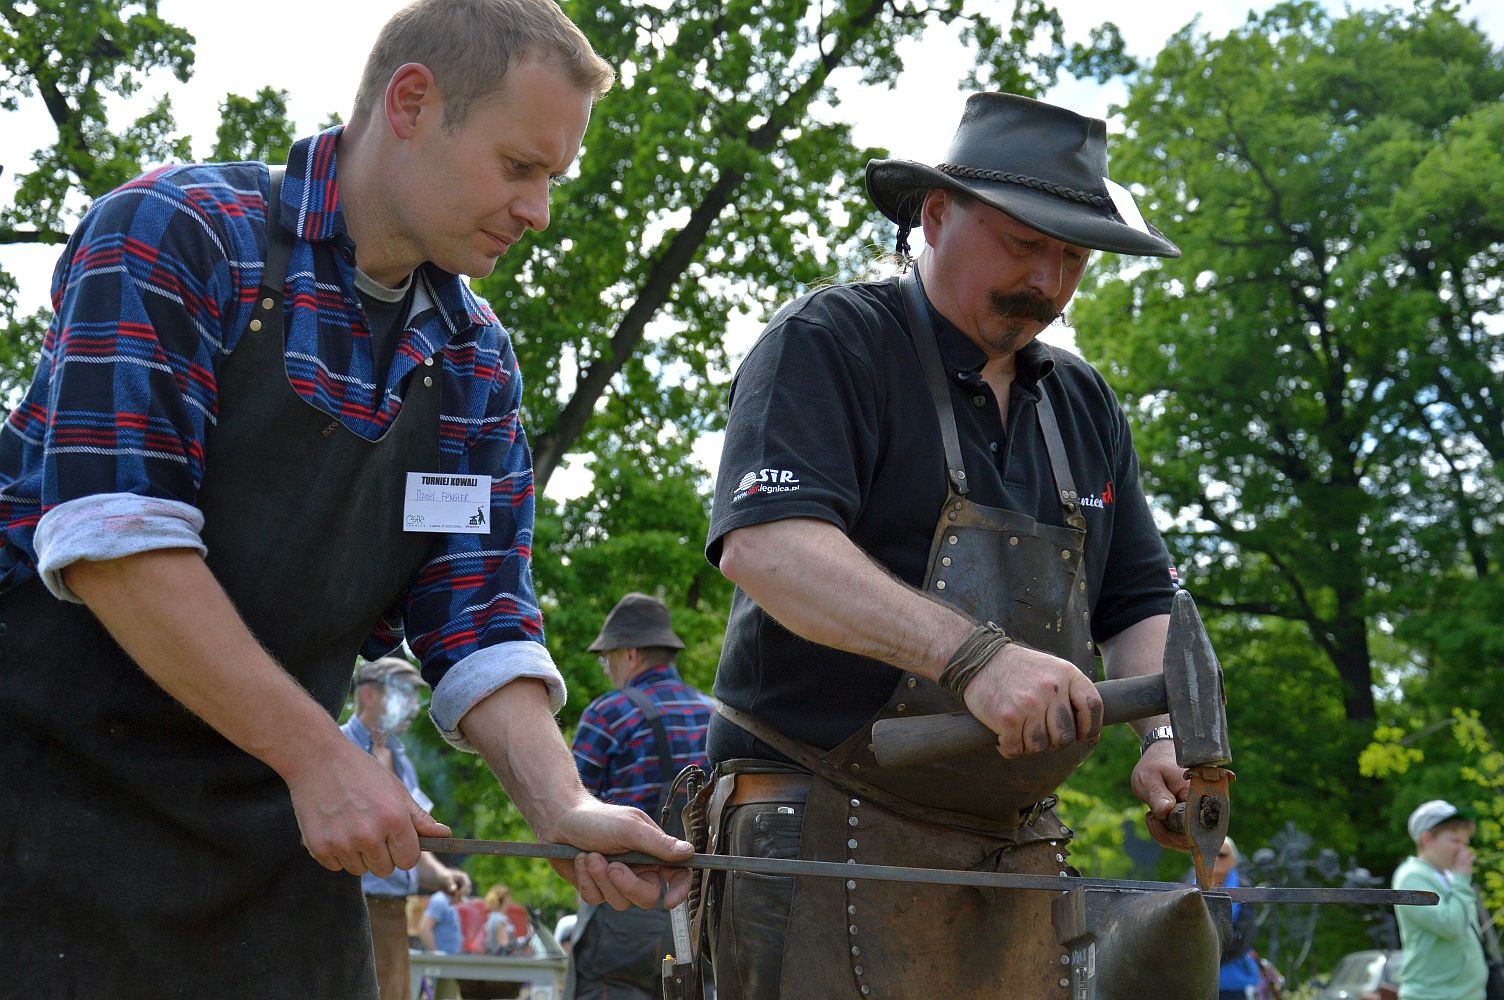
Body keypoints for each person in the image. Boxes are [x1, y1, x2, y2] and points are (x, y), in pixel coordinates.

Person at [0, 3, 693, 996]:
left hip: (276, 832)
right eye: (519, 166)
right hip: (41, 803)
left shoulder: (474, 361)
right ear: (411, 103)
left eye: (552, 178)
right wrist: (321, 758)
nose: (538, 210)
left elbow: (479, 619)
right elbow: (117, 543)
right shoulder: (176, 234)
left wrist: (561, 803)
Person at [700, 92, 1192, 998]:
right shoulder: (830, 343)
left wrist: (1164, 734)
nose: (1046, 281)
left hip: (1008, 859)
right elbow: (768, 547)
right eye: (1024, 244)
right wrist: (977, 660)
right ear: (933, 215)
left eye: (1072, 257)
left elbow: (1137, 602)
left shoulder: (1082, 403)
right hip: (817, 832)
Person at [567, 593, 715, 999]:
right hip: (701, 910)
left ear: (630, 654)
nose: (608, 670)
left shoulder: (608, 713)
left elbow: (569, 806)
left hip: (622, 903)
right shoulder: (717, 716)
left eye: (607, 660)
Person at [343, 656, 472, 1000]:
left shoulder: (401, 761)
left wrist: (442, 876)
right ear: (368, 696)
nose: (415, 708)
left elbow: (411, 840)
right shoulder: (339, 752)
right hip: (344, 912)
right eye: (405, 695)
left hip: (392, 912)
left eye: (417, 698)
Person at [1392, 799, 1488, 1000]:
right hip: (1432, 995)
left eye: (1465, 843)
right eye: (1455, 841)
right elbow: (1451, 926)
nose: (1463, 851)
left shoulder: (1448, 876)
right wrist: (1462, 880)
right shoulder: (1411, 877)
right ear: (1427, 839)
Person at [1198, 837, 1265, 999]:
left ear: (1234, 860)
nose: (1215, 858)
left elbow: (1243, 936)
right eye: (1209, 853)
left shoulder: (1244, 888)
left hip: (1232, 981)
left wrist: (1206, 958)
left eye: (1222, 855)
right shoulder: (1188, 885)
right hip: (1194, 980)